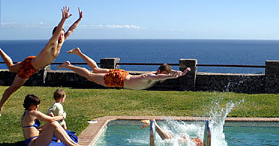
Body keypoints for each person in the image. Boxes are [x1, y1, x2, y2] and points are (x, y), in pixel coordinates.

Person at [0, 6, 83, 116]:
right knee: (13, 87)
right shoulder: (52, 43)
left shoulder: (61, 42)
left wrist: (79, 19)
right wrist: (63, 19)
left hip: (32, 62)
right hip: (30, 67)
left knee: (11, 67)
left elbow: (71, 30)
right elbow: (58, 31)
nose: (62, 36)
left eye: (63, 35)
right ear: (55, 35)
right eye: (60, 34)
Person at [58, 47, 191, 90]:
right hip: (119, 80)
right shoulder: (152, 76)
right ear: (162, 72)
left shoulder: (156, 73)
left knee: (96, 69)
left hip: (122, 75)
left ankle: (79, 52)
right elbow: (159, 76)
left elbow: (163, 74)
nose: (165, 76)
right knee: (90, 76)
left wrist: (178, 73)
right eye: (165, 74)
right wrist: (171, 75)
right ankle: (68, 65)